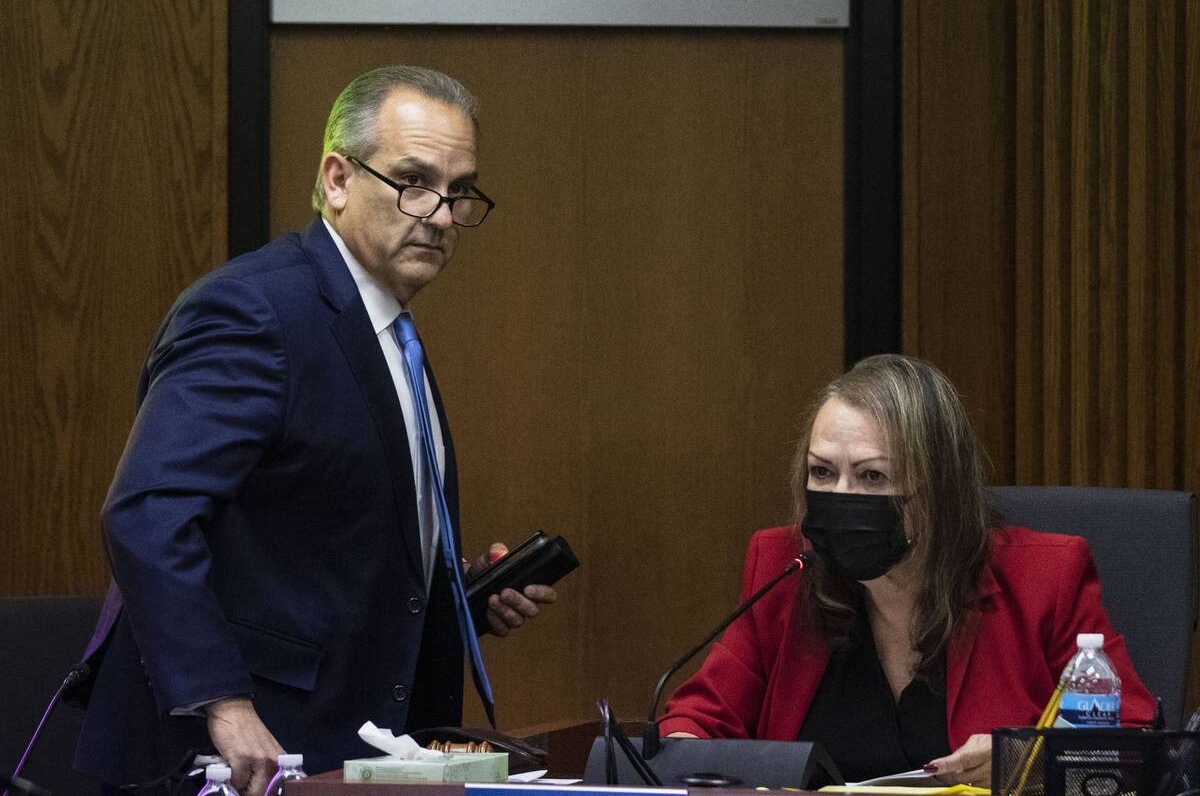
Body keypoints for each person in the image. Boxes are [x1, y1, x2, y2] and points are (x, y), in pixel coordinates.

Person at [71, 65, 557, 795]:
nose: (440, 214)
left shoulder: (387, 332)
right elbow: (147, 512)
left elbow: (314, 544)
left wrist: (460, 594)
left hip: (346, 749)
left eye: (459, 193)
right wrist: (224, 702)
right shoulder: (257, 311)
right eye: (413, 180)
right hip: (236, 756)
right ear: (337, 178)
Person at [657, 354, 1154, 785]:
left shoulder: (1045, 577)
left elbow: (1136, 748)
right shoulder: (784, 572)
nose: (840, 498)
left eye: (873, 476)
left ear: (940, 490)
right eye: (822, 472)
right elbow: (696, 724)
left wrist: (1024, 761)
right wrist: (683, 749)